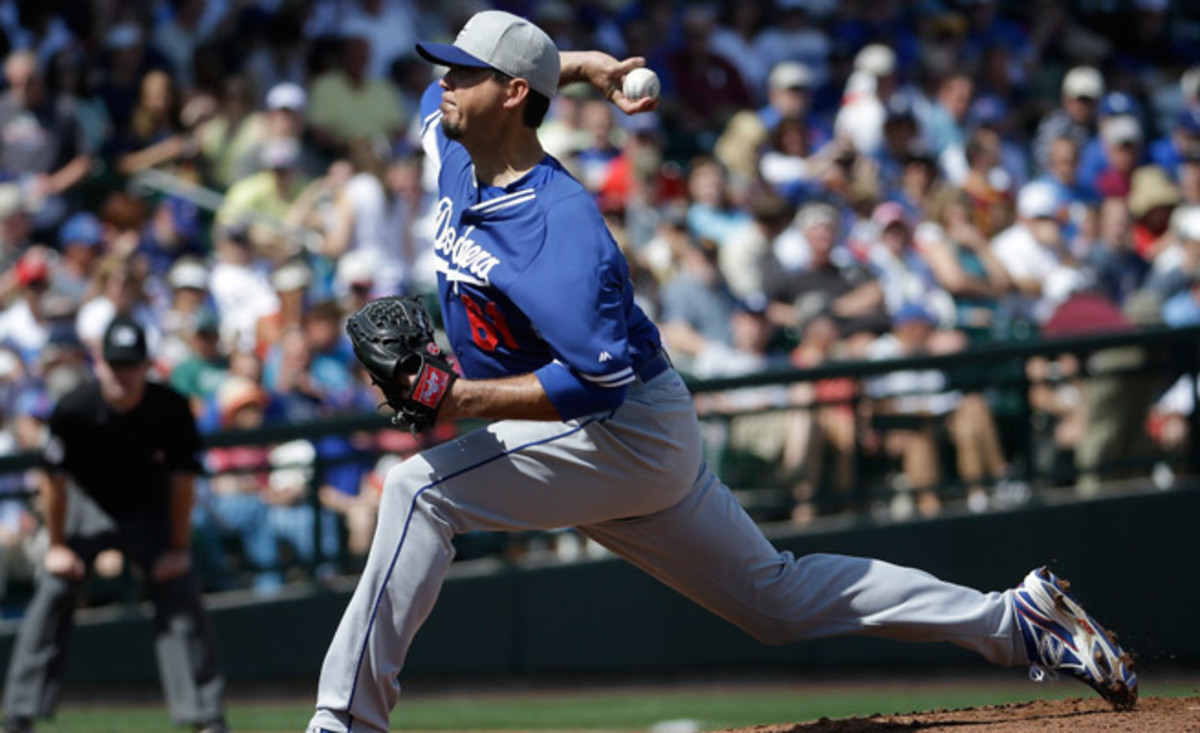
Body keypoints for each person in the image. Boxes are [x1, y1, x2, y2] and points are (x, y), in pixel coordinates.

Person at [305, 12, 1137, 733]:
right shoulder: (456, 143)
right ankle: (1016, 619)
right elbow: (429, 104)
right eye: (445, 70)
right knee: (776, 601)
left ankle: (343, 719)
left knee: (417, 489)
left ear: (513, 94)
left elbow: (600, 381)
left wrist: (459, 397)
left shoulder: (564, 227)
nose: (442, 84)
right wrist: (587, 67)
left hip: (615, 426)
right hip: (611, 432)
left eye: (465, 73)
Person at [2, 317, 227, 733]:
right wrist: (55, 545)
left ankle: (206, 717)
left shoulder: (170, 407)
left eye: (130, 364)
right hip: (86, 506)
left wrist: (177, 548)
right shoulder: (75, 407)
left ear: (146, 366)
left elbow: (182, 481)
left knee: (180, 587)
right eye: (113, 364)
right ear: (99, 364)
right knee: (53, 586)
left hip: (148, 508)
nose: (121, 373)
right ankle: (18, 715)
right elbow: (53, 481)